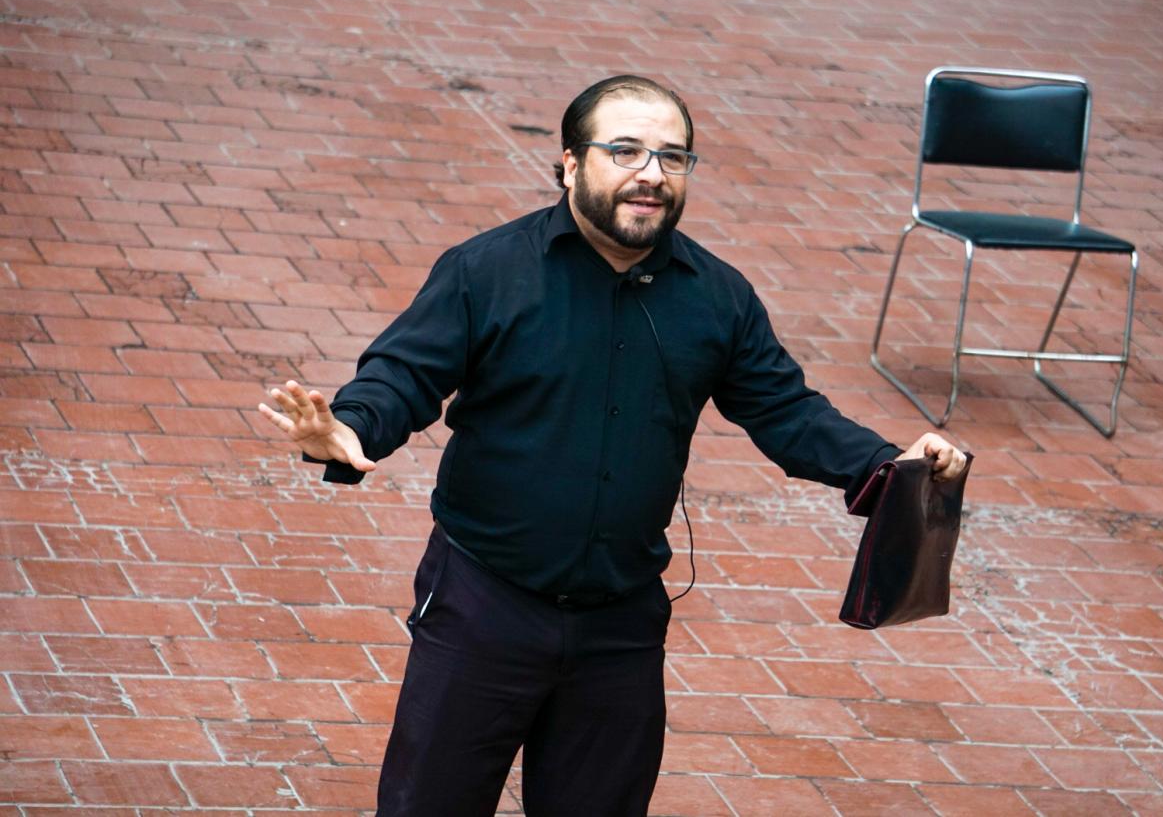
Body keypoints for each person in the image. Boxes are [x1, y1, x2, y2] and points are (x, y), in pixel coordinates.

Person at [258, 75, 967, 817]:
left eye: (672, 157)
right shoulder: (487, 271)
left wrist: (888, 463)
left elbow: (786, 409)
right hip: (482, 604)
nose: (651, 174)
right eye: (625, 150)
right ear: (571, 164)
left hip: (623, 622)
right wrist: (350, 425)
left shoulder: (717, 296)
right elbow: (406, 373)